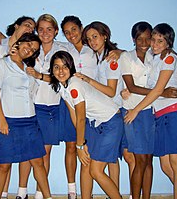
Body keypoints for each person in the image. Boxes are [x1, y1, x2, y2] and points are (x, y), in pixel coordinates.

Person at [124, 23, 177, 199]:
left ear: (168, 43)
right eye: (154, 40)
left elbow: (158, 90)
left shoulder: (169, 58)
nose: (155, 44)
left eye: (160, 41)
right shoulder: (154, 56)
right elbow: (132, 54)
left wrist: (135, 110)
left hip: (175, 113)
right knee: (165, 166)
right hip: (160, 115)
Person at [49, 50, 123, 199]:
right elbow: (74, 116)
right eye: (56, 67)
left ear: (71, 67)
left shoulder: (74, 86)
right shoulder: (63, 88)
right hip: (95, 124)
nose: (61, 71)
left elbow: (81, 117)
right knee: (85, 163)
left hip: (111, 122)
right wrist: (82, 143)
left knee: (96, 171)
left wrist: (80, 146)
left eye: (64, 66)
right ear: (52, 70)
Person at [0, 16, 35, 199]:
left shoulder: (26, 51)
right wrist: (7, 57)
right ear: (17, 26)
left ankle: (2, 191)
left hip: (10, 105)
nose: (29, 29)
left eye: (32, 28)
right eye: (26, 25)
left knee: (6, 148)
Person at [0, 32, 52, 199]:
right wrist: (1, 121)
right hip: (9, 121)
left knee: (38, 162)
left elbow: (54, 79)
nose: (30, 50)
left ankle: (48, 197)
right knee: (4, 164)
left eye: (33, 50)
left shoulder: (28, 68)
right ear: (20, 42)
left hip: (30, 121)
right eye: (29, 45)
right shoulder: (2, 64)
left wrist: (37, 75)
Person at [74, 21, 128, 198]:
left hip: (115, 112)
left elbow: (111, 91)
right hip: (103, 114)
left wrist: (88, 81)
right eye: (89, 39)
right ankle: (112, 194)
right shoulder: (100, 59)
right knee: (111, 159)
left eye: (95, 37)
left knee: (114, 159)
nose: (92, 41)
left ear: (105, 36)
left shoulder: (111, 60)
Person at [25, 14, 68, 199]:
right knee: (31, 152)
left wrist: (40, 75)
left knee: (45, 153)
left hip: (52, 106)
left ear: (56, 31)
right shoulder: (31, 47)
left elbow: (65, 75)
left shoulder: (62, 49)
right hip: (30, 105)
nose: (45, 33)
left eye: (49, 29)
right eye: (41, 29)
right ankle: (22, 191)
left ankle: (40, 193)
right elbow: (8, 45)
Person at [60, 15, 97, 199]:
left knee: (95, 151)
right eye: (66, 32)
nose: (71, 35)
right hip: (75, 104)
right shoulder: (65, 48)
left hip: (96, 107)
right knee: (73, 146)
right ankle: (73, 191)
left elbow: (117, 51)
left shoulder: (94, 48)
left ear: (81, 28)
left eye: (74, 29)